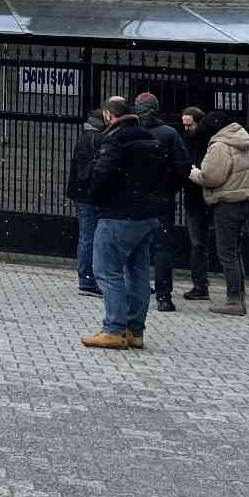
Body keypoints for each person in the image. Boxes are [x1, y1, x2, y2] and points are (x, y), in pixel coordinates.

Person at [82, 96, 168, 350]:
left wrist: (96, 198)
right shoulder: (151, 138)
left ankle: (114, 329)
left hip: (118, 214)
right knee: (138, 273)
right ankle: (134, 331)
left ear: (109, 115)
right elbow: (167, 175)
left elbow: (101, 175)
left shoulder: (116, 139)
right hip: (147, 215)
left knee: (107, 271)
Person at [191, 111, 249, 317]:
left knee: (226, 253)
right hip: (242, 201)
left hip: (227, 203)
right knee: (235, 252)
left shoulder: (220, 145)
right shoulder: (240, 142)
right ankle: (239, 296)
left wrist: (195, 173)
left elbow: (212, 177)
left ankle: (234, 300)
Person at [133, 93, 189, 312]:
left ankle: (137, 288)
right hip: (162, 199)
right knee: (162, 247)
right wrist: (169, 188)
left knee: (134, 244)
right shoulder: (169, 134)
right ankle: (164, 297)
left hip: (134, 199)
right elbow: (183, 167)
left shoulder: (130, 132)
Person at [67, 109, 107, 295]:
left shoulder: (86, 137)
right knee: (89, 238)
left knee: (87, 236)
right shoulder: (96, 139)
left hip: (81, 194)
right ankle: (87, 280)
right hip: (88, 195)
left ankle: (87, 279)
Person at [179, 106, 213, 300]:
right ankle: (200, 284)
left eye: (189, 124)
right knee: (199, 243)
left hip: (202, 196)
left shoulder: (206, 142)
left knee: (198, 243)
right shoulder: (190, 140)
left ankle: (201, 284)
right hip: (195, 197)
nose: (186, 128)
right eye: (184, 124)